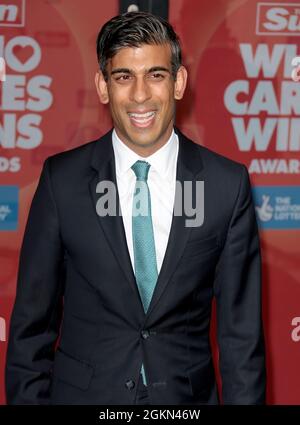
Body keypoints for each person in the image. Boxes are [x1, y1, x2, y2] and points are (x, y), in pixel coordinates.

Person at [5, 11, 266, 405]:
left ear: (178, 82)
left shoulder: (226, 186)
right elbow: (30, 331)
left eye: (156, 75)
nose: (140, 94)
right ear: (103, 86)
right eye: (124, 76)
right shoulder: (63, 181)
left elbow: (241, 340)